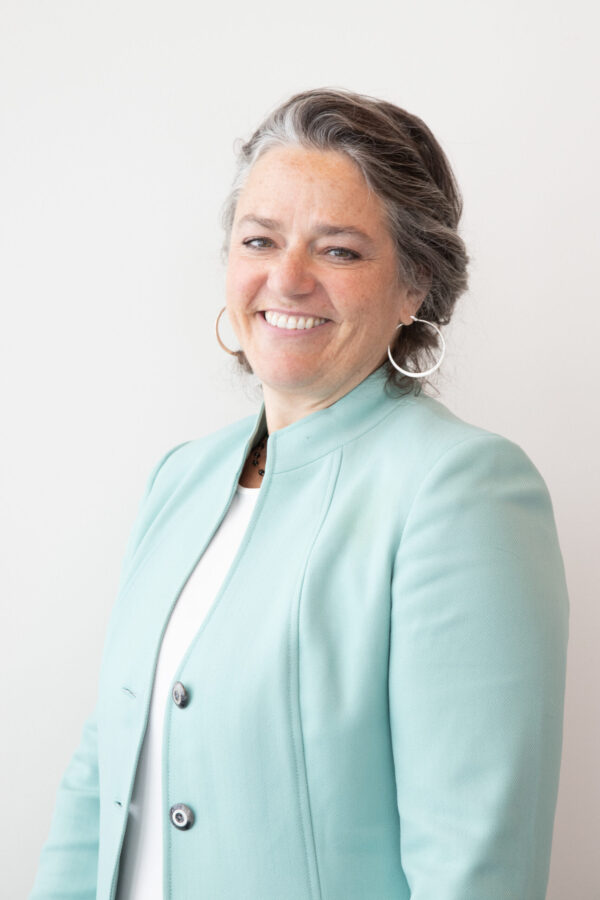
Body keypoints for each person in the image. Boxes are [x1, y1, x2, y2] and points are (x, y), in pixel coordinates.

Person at [30, 87, 569, 900]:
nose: (287, 279)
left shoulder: (463, 493)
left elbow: (475, 865)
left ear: (414, 286)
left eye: (340, 251)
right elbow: (100, 775)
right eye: (260, 239)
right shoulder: (180, 477)